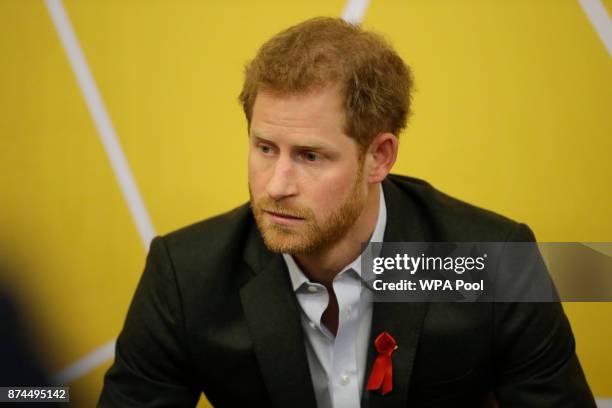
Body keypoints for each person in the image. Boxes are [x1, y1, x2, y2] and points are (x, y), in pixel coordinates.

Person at [98, 17, 595, 407]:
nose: (276, 185)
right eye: (265, 147)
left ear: (379, 157)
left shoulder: (491, 260)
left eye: (310, 156)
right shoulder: (185, 275)